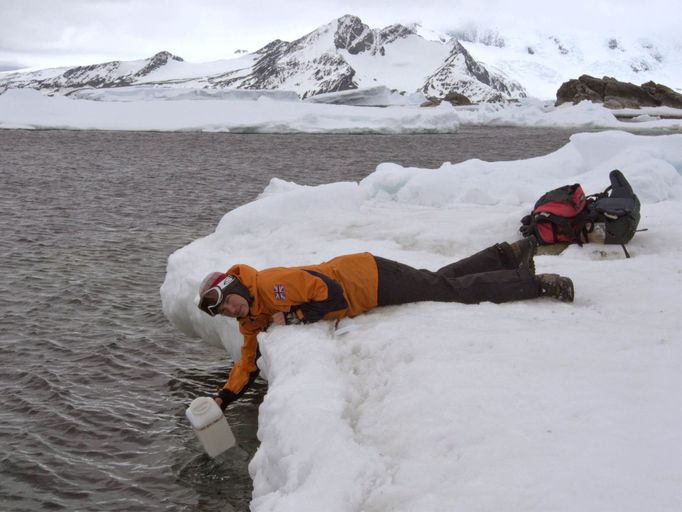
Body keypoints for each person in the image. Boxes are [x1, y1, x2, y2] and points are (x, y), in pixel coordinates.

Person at [197, 237, 573, 409]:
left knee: (446, 290)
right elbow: (247, 361)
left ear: (236, 288)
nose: (229, 312)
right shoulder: (254, 313)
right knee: (434, 280)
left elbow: (333, 296)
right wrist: (224, 398)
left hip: (367, 278)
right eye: (223, 313)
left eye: (227, 302)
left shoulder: (270, 285)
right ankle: (506, 254)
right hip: (365, 276)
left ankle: (535, 285)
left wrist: (294, 315)